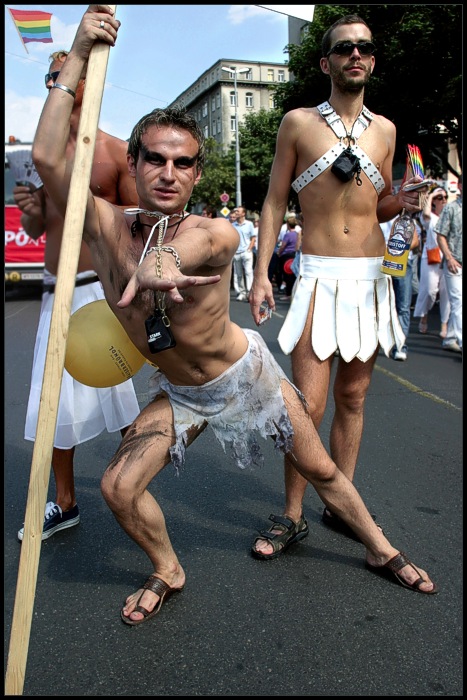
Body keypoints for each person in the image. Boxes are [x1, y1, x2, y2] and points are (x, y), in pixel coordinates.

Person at [33, 5, 437, 625]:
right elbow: (48, 157)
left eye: (184, 163)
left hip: (243, 375)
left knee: (321, 466)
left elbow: (205, 246)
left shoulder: (214, 228)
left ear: (198, 172)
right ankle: (168, 567)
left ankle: (381, 549)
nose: (169, 173)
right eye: (155, 159)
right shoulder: (105, 225)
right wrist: (78, 56)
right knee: (117, 486)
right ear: (133, 162)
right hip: (179, 391)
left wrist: (161, 259)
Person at [249, 13, 427, 555]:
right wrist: (260, 273)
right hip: (319, 276)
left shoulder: (387, 130)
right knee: (309, 404)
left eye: (365, 49)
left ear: (372, 61)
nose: (356, 56)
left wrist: (409, 201)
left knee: (354, 396)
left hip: (371, 278)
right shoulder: (297, 123)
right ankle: (292, 513)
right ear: (326, 62)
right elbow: (276, 201)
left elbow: (383, 202)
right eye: (344, 48)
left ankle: (338, 503)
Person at [15, 47, 140, 542]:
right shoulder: (42, 157)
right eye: (51, 77)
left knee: (122, 397)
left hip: (101, 295)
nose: (57, 85)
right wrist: (30, 208)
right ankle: (64, 501)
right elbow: (35, 225)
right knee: (54, 405)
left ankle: (135, 491)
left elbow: (138, 222)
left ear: (90, 83)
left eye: (66, 77)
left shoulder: (113, 152)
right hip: (55, 294)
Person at [380, 213, 420, 361]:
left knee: (402, 306)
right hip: (380, 263)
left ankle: (400, 346)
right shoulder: (377, 214)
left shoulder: (405, 219)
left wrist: (399, 248)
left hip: (402, 264)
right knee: (378, 304)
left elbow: (415, 241)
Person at [413, 186, 450, 338]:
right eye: (440, 198)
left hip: (448, 258)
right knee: (429, 291)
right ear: (434, 201)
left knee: (446, 293)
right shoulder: (430, 218)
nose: (444, 200)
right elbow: (426, 212)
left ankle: (444, 324)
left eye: (445, 197)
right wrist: (433, 194)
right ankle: (424, 315)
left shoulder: (450, 216)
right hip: (431, 257)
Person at [436, 176, 462, 353]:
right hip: (454, 262)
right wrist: (449, 257)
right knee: (458, 301)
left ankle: (451, 338)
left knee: (459, 302)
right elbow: (440, 235)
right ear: (459, 186)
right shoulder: (451, 208)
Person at [231, 205, 256, 301]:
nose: (236, 213)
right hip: (236, 252)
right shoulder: (233, 225)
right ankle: (242, 293)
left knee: (249, 272)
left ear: (243, 214)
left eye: (238, 211)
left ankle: (250, 292)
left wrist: (249, 249)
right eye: (236, 211)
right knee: (238, 274)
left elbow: (253, 238)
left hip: (246, 252)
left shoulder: (249, 224)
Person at [277, 215, 301, 300]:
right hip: (294, 255)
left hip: (286, 256)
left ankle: (288, 294)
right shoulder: (297, 234)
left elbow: (283, 246)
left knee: (286, 275)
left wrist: (279, 252)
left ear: (288, 224)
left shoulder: (288, 235)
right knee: (292, 275)